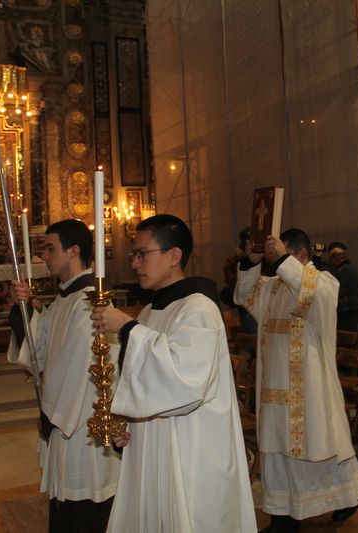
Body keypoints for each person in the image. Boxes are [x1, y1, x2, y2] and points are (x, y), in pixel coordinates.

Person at [90, 214, 256, 533]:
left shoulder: (199, 308)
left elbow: (185, 381)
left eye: (142, 254)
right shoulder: (153, 310)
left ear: (174, 255)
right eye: (132, 255)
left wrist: (127, 328)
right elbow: (145, 380)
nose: (135, 263)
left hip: (192, 448)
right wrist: (129, 422)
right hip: (154, 444)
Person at [234, 229, 358, 533]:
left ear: (299, 254)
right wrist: (251, 262)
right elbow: (244, 296)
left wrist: (281, 259)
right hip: (273, 390)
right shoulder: (274, 287)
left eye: (281, 256)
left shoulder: (324, 282)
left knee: (320, 447)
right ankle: (283, 517)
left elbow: (314, 294)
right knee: (277, 450)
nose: (276, 263)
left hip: (308, 390)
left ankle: (346, 497)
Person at [7, 219, 121, 533]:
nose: (44, 255)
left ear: (73, 251)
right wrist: (25, 309)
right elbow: (39, 346)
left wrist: (50, 415)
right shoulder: (65, 299)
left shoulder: (89, 302)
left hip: (81, 423)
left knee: (86, 507)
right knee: (68, 507)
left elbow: (75, 368)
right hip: (65, 418)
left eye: (50, 248)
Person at [314, 241, 358, 331]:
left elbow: (334, 290)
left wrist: (317, 258)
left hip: (350, 313)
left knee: (347, 341)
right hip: (351, 312)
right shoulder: (347, 267)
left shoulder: (346, 270)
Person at [221, 226, 258, 334]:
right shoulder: (232, 261)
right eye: (248, 244)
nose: (251, 247)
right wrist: (246, 263)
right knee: (253, 341)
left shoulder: (261, 259)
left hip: (261, 306)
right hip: (246, 310)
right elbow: (234, 283)